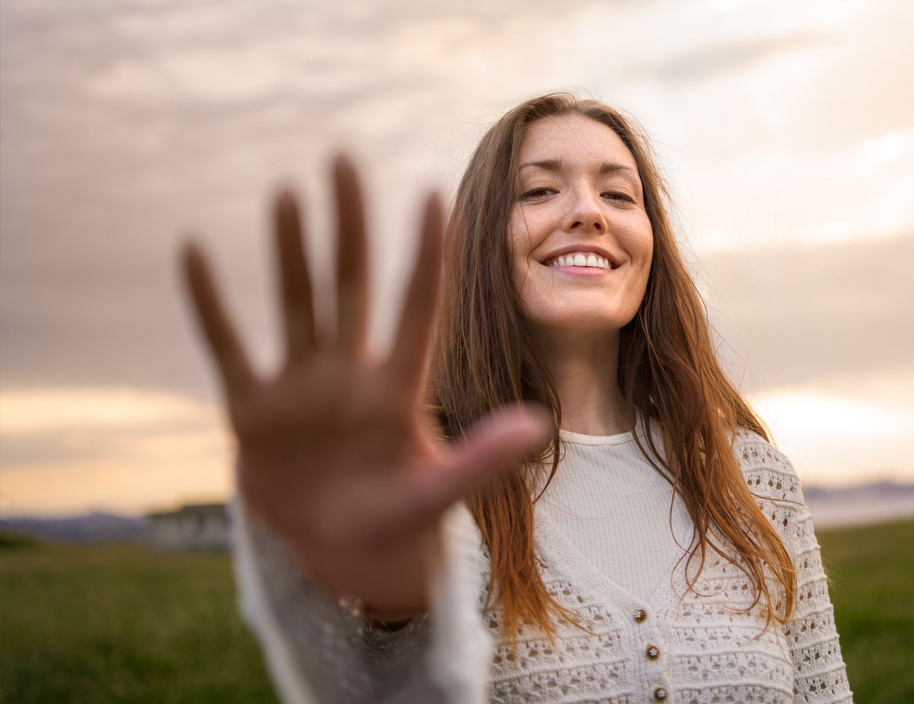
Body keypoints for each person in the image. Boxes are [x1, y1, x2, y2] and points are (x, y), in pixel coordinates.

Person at [182, 93, 853, 703]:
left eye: (619, 196)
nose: (588, 211)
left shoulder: (754, 479)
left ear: (652, 246)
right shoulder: (433, 487)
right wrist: (391, 616)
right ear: (483, 241)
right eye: (538, 190)